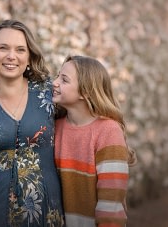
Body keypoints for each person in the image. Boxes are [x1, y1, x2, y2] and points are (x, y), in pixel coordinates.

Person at [0, 19, 65, 226]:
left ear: (29, 57)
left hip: (47, 212)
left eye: (20, 49)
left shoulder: (50, 94)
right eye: (3, 48)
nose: (11, 56)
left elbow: (87, 110)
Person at [53, 55, 137, 227]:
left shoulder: (108, 132)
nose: (54, 82)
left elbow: (111, 204)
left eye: (64, 79)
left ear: (86, 92)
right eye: (57, 75)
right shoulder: (55, 127)